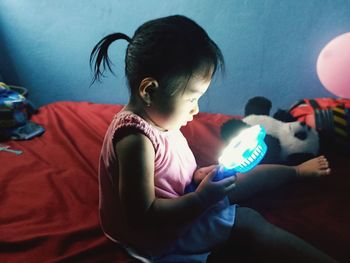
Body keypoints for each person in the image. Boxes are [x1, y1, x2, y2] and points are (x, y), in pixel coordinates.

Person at [91, 15, 337, 263]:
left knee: (244, 177)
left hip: (186, 195)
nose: (196, 109)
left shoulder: (157, 116)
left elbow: (166, 172)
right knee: (250, 221)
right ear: (150, 91)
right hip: (157, 233)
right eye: (191, 99)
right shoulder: (135, 141)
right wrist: (200, 199)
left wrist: (197, 178)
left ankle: (295, 172)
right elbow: (143, 216)